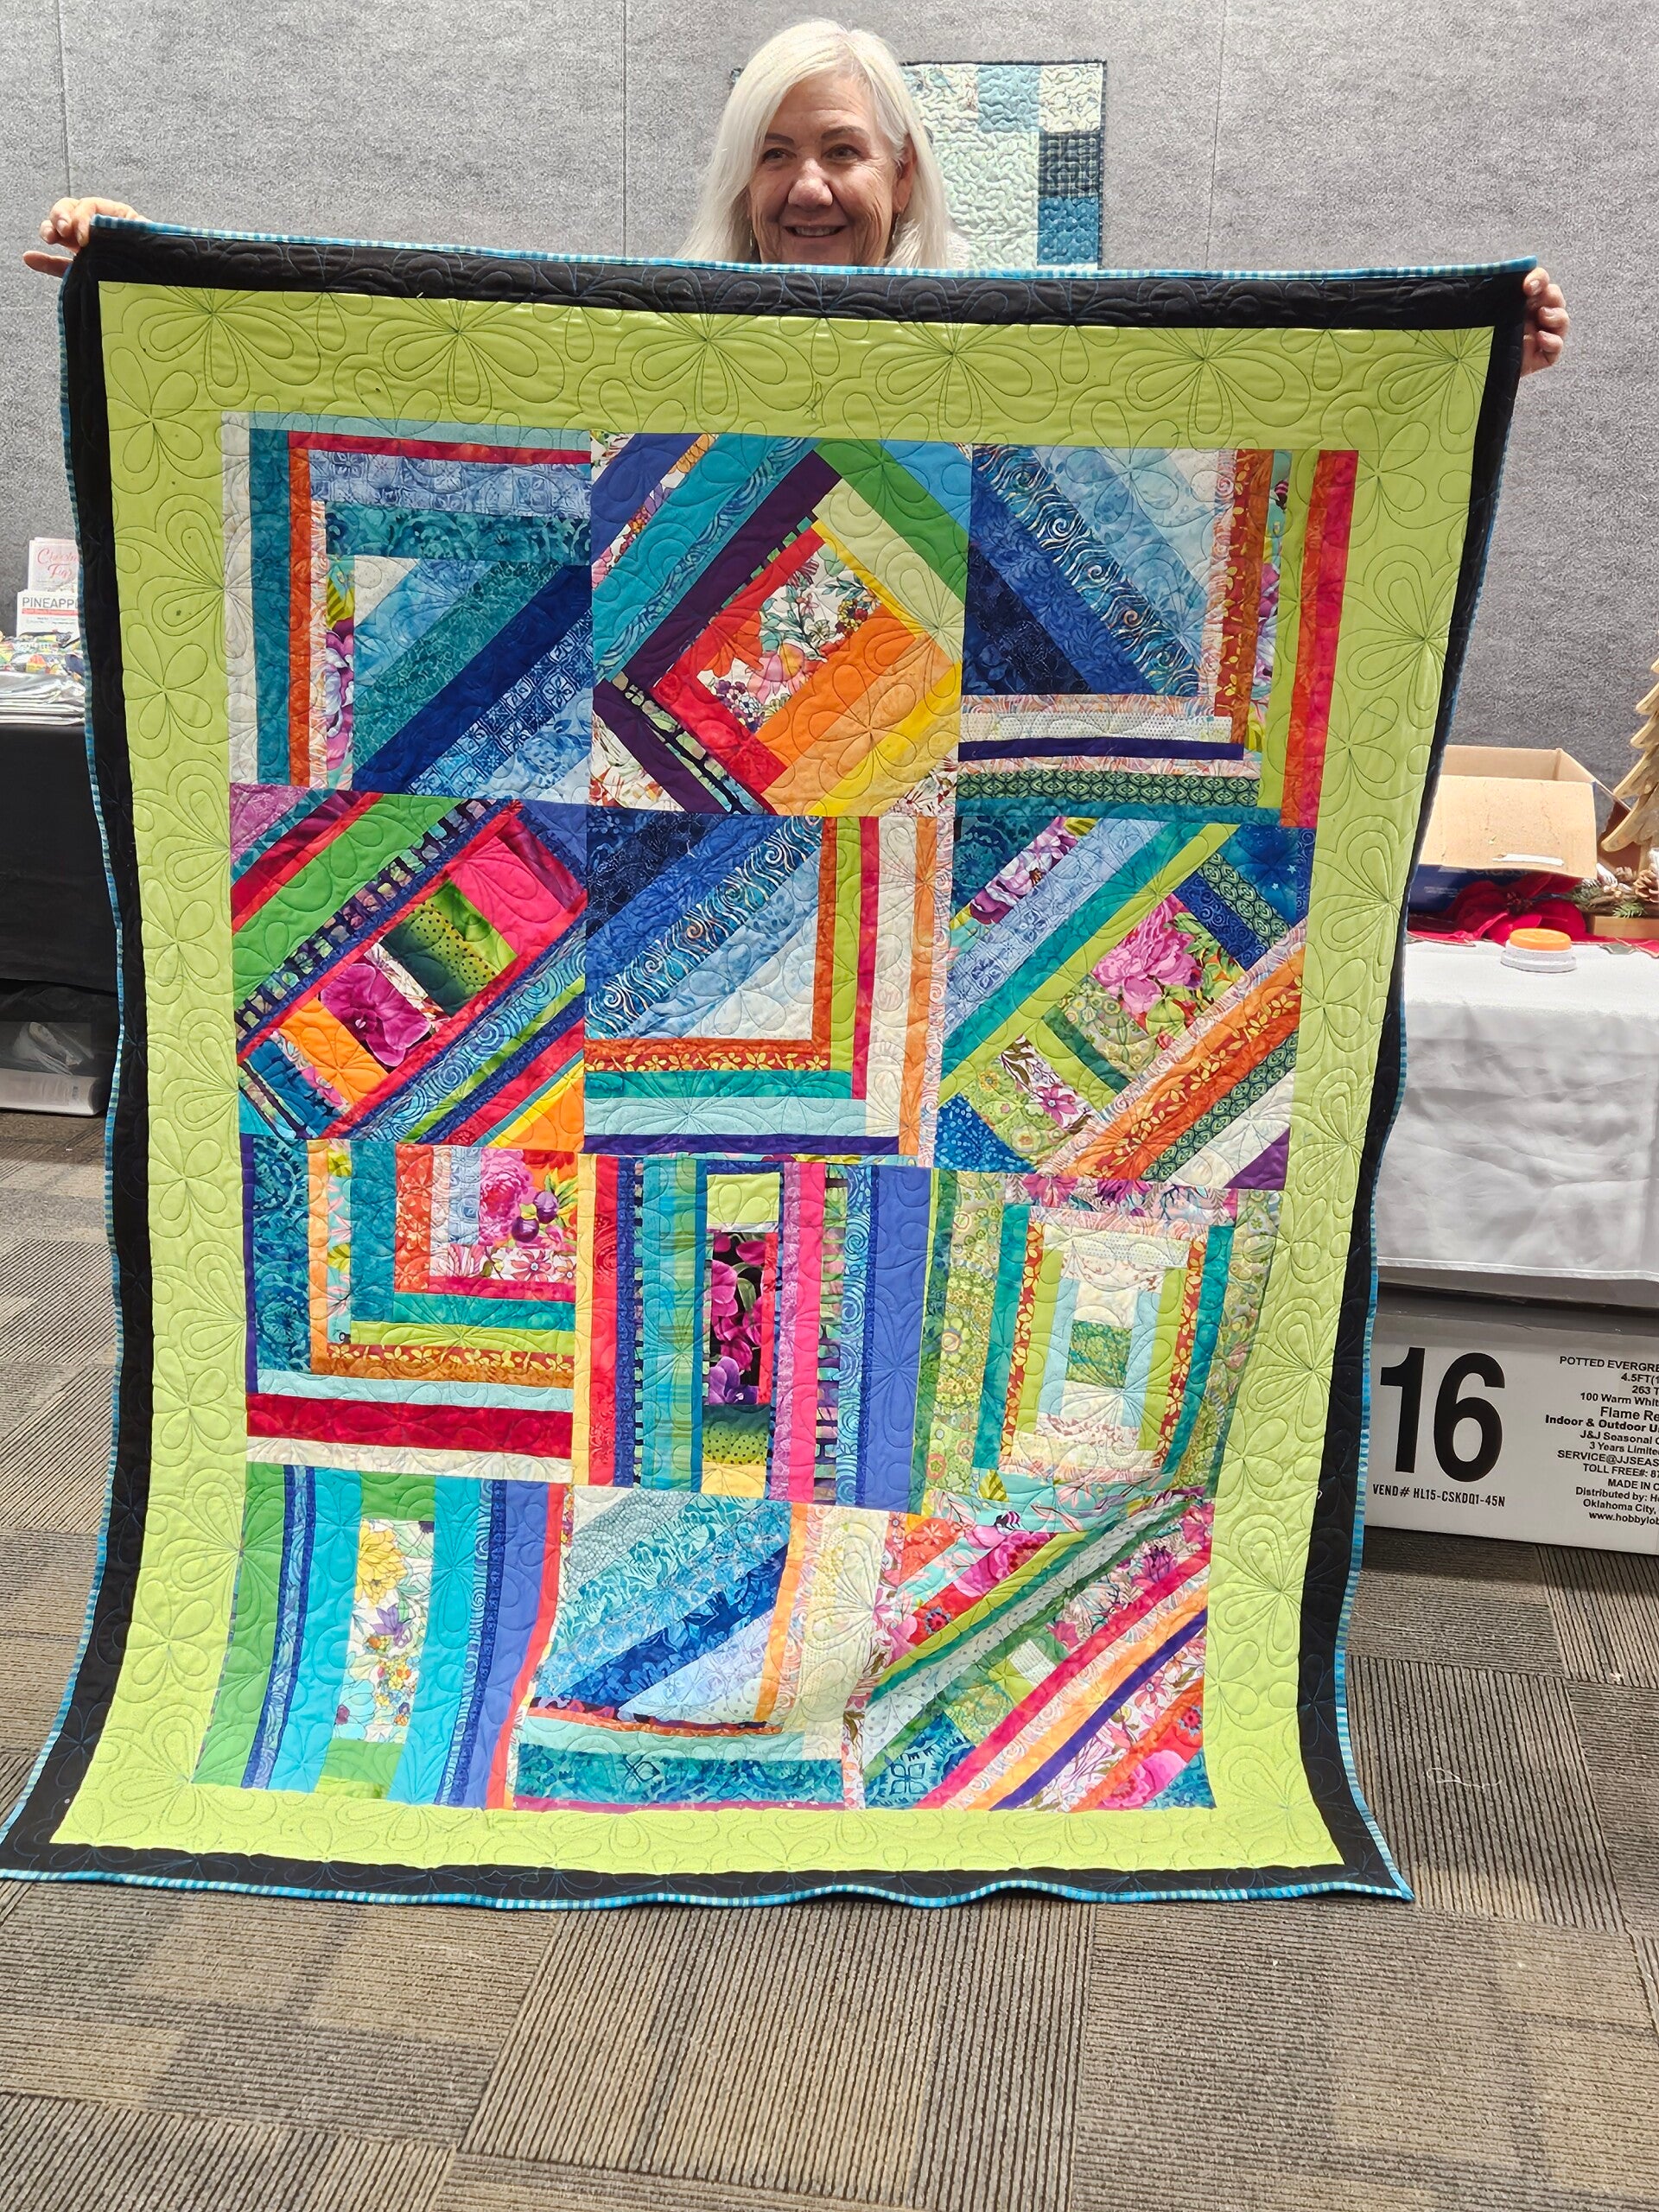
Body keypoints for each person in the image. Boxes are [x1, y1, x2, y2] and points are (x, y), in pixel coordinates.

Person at [26, 16, 1570, 370]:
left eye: (838, 149)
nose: (807, 185)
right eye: (772, 154)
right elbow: (413, 357)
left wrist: (1452, 352)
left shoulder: (1015, 334)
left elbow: (1219, 394)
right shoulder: (652, 334)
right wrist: (152, 268)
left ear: (903, 173)